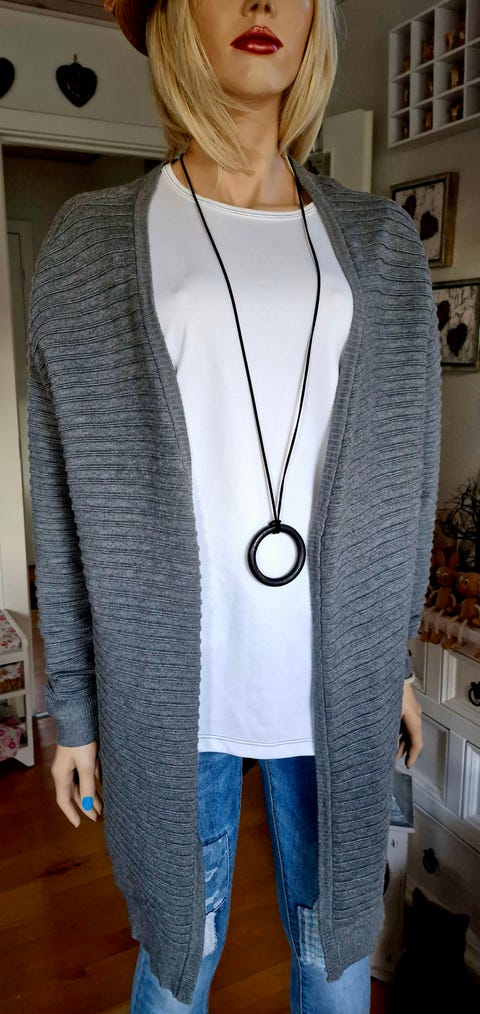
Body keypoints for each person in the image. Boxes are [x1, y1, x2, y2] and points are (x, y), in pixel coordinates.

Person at [27, 1, 441, 1012]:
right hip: (173, 695)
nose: (262, 4)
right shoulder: (92, 243)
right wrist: (73, 707)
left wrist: (392, 659)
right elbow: (64, 498)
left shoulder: (381, 244)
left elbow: (408, 471)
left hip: (335, 683)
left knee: (336, 967)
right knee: (179, 963)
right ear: (173, 18)